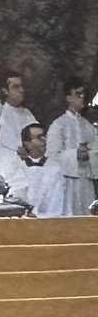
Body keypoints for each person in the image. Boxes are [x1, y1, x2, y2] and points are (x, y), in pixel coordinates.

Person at [48, 77, 97, 217]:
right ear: (68, 97)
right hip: (65, 182)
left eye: (84, 94)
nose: (83, 98)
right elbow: (51, 156)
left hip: (85, 181)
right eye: (78, 94)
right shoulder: (59, 125)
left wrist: (90, 155)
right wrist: (74, 154)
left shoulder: (88, 126)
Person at [22, 123, 77, 217]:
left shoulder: (55, 168)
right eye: (39, 137)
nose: (44, 140)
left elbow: (57, 201)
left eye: (45, 136)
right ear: (28, 144)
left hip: (49, 219)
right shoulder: (18, 167)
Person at [0, 72, 37, 156]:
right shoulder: (0, 114)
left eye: (21, 86)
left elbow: (38, 135)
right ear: (5, 91)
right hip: (6, 157)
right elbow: (9, 141)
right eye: (16, 87)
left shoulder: (27, 113)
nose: (21, 90)